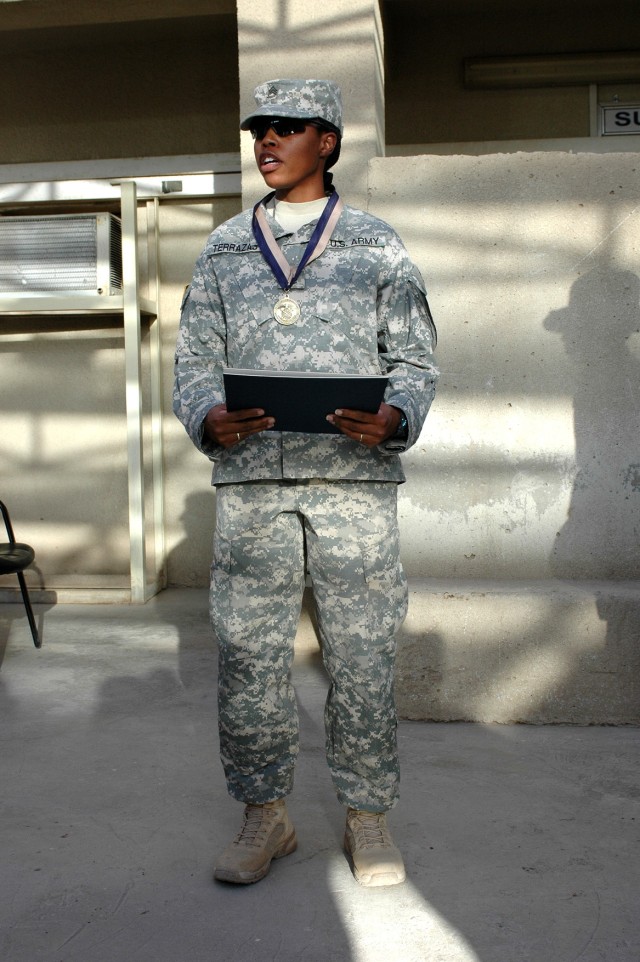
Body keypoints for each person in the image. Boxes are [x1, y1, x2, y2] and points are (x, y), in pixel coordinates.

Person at [173, 78, 439, 887]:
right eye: (260, 128)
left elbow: (417, 363)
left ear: (327, 141)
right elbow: (191, 363)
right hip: (252, 482)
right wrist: (203, 418)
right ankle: (266, 817)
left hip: (352, 483)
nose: (267, 141)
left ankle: (368, 817)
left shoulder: (375, 244)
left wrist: (395, 418)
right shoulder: (221, 250)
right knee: (249, 652)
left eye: (287, 128)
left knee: (361, 652)